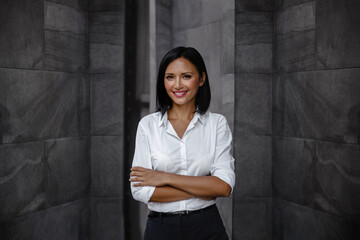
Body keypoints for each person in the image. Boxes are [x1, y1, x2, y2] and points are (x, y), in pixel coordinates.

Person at [130, 46, 235, 240]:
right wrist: (204, 189)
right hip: (161, 229)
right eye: (170, 77)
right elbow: (140, 190)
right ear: (163, 81)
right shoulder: (148, 125)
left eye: (186, 76)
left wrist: (164, 178)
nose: (177, 85)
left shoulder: (216, 124)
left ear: (201, 79)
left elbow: (223, 187)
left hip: (207, 227)